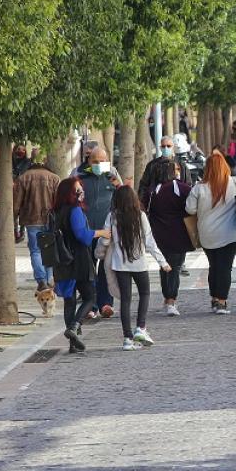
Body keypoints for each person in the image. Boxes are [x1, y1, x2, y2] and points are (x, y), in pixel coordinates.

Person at [98, 185, 169, 350]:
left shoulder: (112, 216)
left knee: (125, 299)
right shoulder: (141, 216)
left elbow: (105, 240)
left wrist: (102, 248)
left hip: (119, 263)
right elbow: (150, 242)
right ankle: (141, 327)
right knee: (144, 293)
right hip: (139, 263)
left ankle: (127, 339)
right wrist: (163, 262)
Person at [186, 151, 236, 314]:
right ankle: (221, 300)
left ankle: (214, 297)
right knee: (225, 267)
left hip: (207, 235)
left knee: (214, 265)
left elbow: (189, 209)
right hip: (230, 233)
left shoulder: (199, 188)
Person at [52, 177, 108, 353]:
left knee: (69, 302)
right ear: (69, 193)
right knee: (90, 296)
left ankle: (72, 343)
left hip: (61, 260)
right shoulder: (74, 210)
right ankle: (74, 327)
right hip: (78, 260)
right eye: (77, 189)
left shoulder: (55, 211)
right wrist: (102, 232)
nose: (81, 192)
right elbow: (82, 236)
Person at [143, 158, 194, 316]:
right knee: (175, 268)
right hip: (179, 234)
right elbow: (191, 207)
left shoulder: (152, 190)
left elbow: (147, 208)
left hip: (159, 234)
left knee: (164, 267)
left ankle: (167, 298)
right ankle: (171, 300)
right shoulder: (181, 188)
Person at [76, 147, 121, 319]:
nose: (99, 164)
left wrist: (117, 183)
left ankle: (106, 304)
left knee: (106, 268)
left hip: (107, 232)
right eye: (95, 161)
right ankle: (91, 305)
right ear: (89, 161)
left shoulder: (112, 176)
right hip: (87, 232)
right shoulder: (80, 176)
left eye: (102, 161)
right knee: (88, 271)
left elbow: (122, 197)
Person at [13, 161, 60, 290]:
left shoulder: (23, 178)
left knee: (35, 250)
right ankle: (49, 278)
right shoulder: (54, 178)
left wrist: (15, 221)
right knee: (49, 249)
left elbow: (16, 204)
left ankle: (41, 280)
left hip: (31, 219)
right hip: (50, 219)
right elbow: (59, 202)